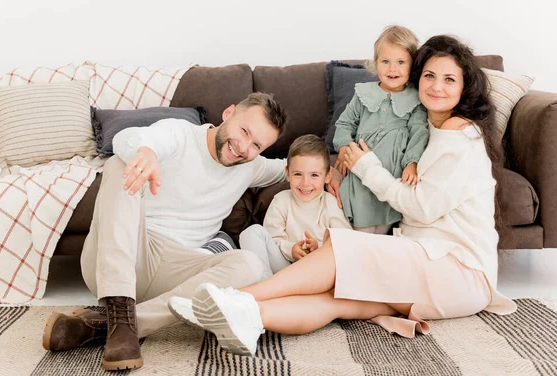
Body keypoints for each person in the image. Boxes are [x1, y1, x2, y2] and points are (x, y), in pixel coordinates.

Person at [169, 35, 517, 357]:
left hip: (459, 271)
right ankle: (249, 317)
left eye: (449, 79)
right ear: (416, 79)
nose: (436, 86)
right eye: (429, 76)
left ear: (465, 88)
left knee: (341, 247)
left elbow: (421, 208)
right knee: (336, 300)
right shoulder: (427, 127)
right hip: (437, 270)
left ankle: (234, 298)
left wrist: (365, 165)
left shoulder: (461, 139)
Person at [42, 92, 309, 371]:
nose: (243, 147)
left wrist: (334, 173)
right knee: (119, 162)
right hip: (128, 255)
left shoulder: (249, 166)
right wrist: (146, 152)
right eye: (244, 131)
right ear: (228, 113)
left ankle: (111, 326)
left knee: (250, 265)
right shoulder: (180, 134)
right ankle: (119, 308)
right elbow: (127, 140)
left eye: (257, 145)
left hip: (177, 271)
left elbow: (292, 170)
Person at [334, 25, 429, 235]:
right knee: (361, 228)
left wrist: (411, 162)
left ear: (412, 66)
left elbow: (418, 132)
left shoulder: (416, 100)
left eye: (401, 62)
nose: (392, 69)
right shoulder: (363, 94)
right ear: (376, 63)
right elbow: (344, 124)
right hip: (359, 172)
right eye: (385, 61)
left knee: (383, 230)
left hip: (390, 175)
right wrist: (342, 148)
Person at [238, 134, 352, 279]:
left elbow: (345, 242)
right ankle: (264, 283)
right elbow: (273, 239)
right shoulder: (281, 201)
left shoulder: (330, 203)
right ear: (288, 174)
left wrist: (318, 247)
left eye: (314, 175)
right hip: (285, 267)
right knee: (251, 232)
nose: (305, 183)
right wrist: (291, 249)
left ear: (327, 176)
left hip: (316, 271)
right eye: (298, 174)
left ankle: (272, 288)